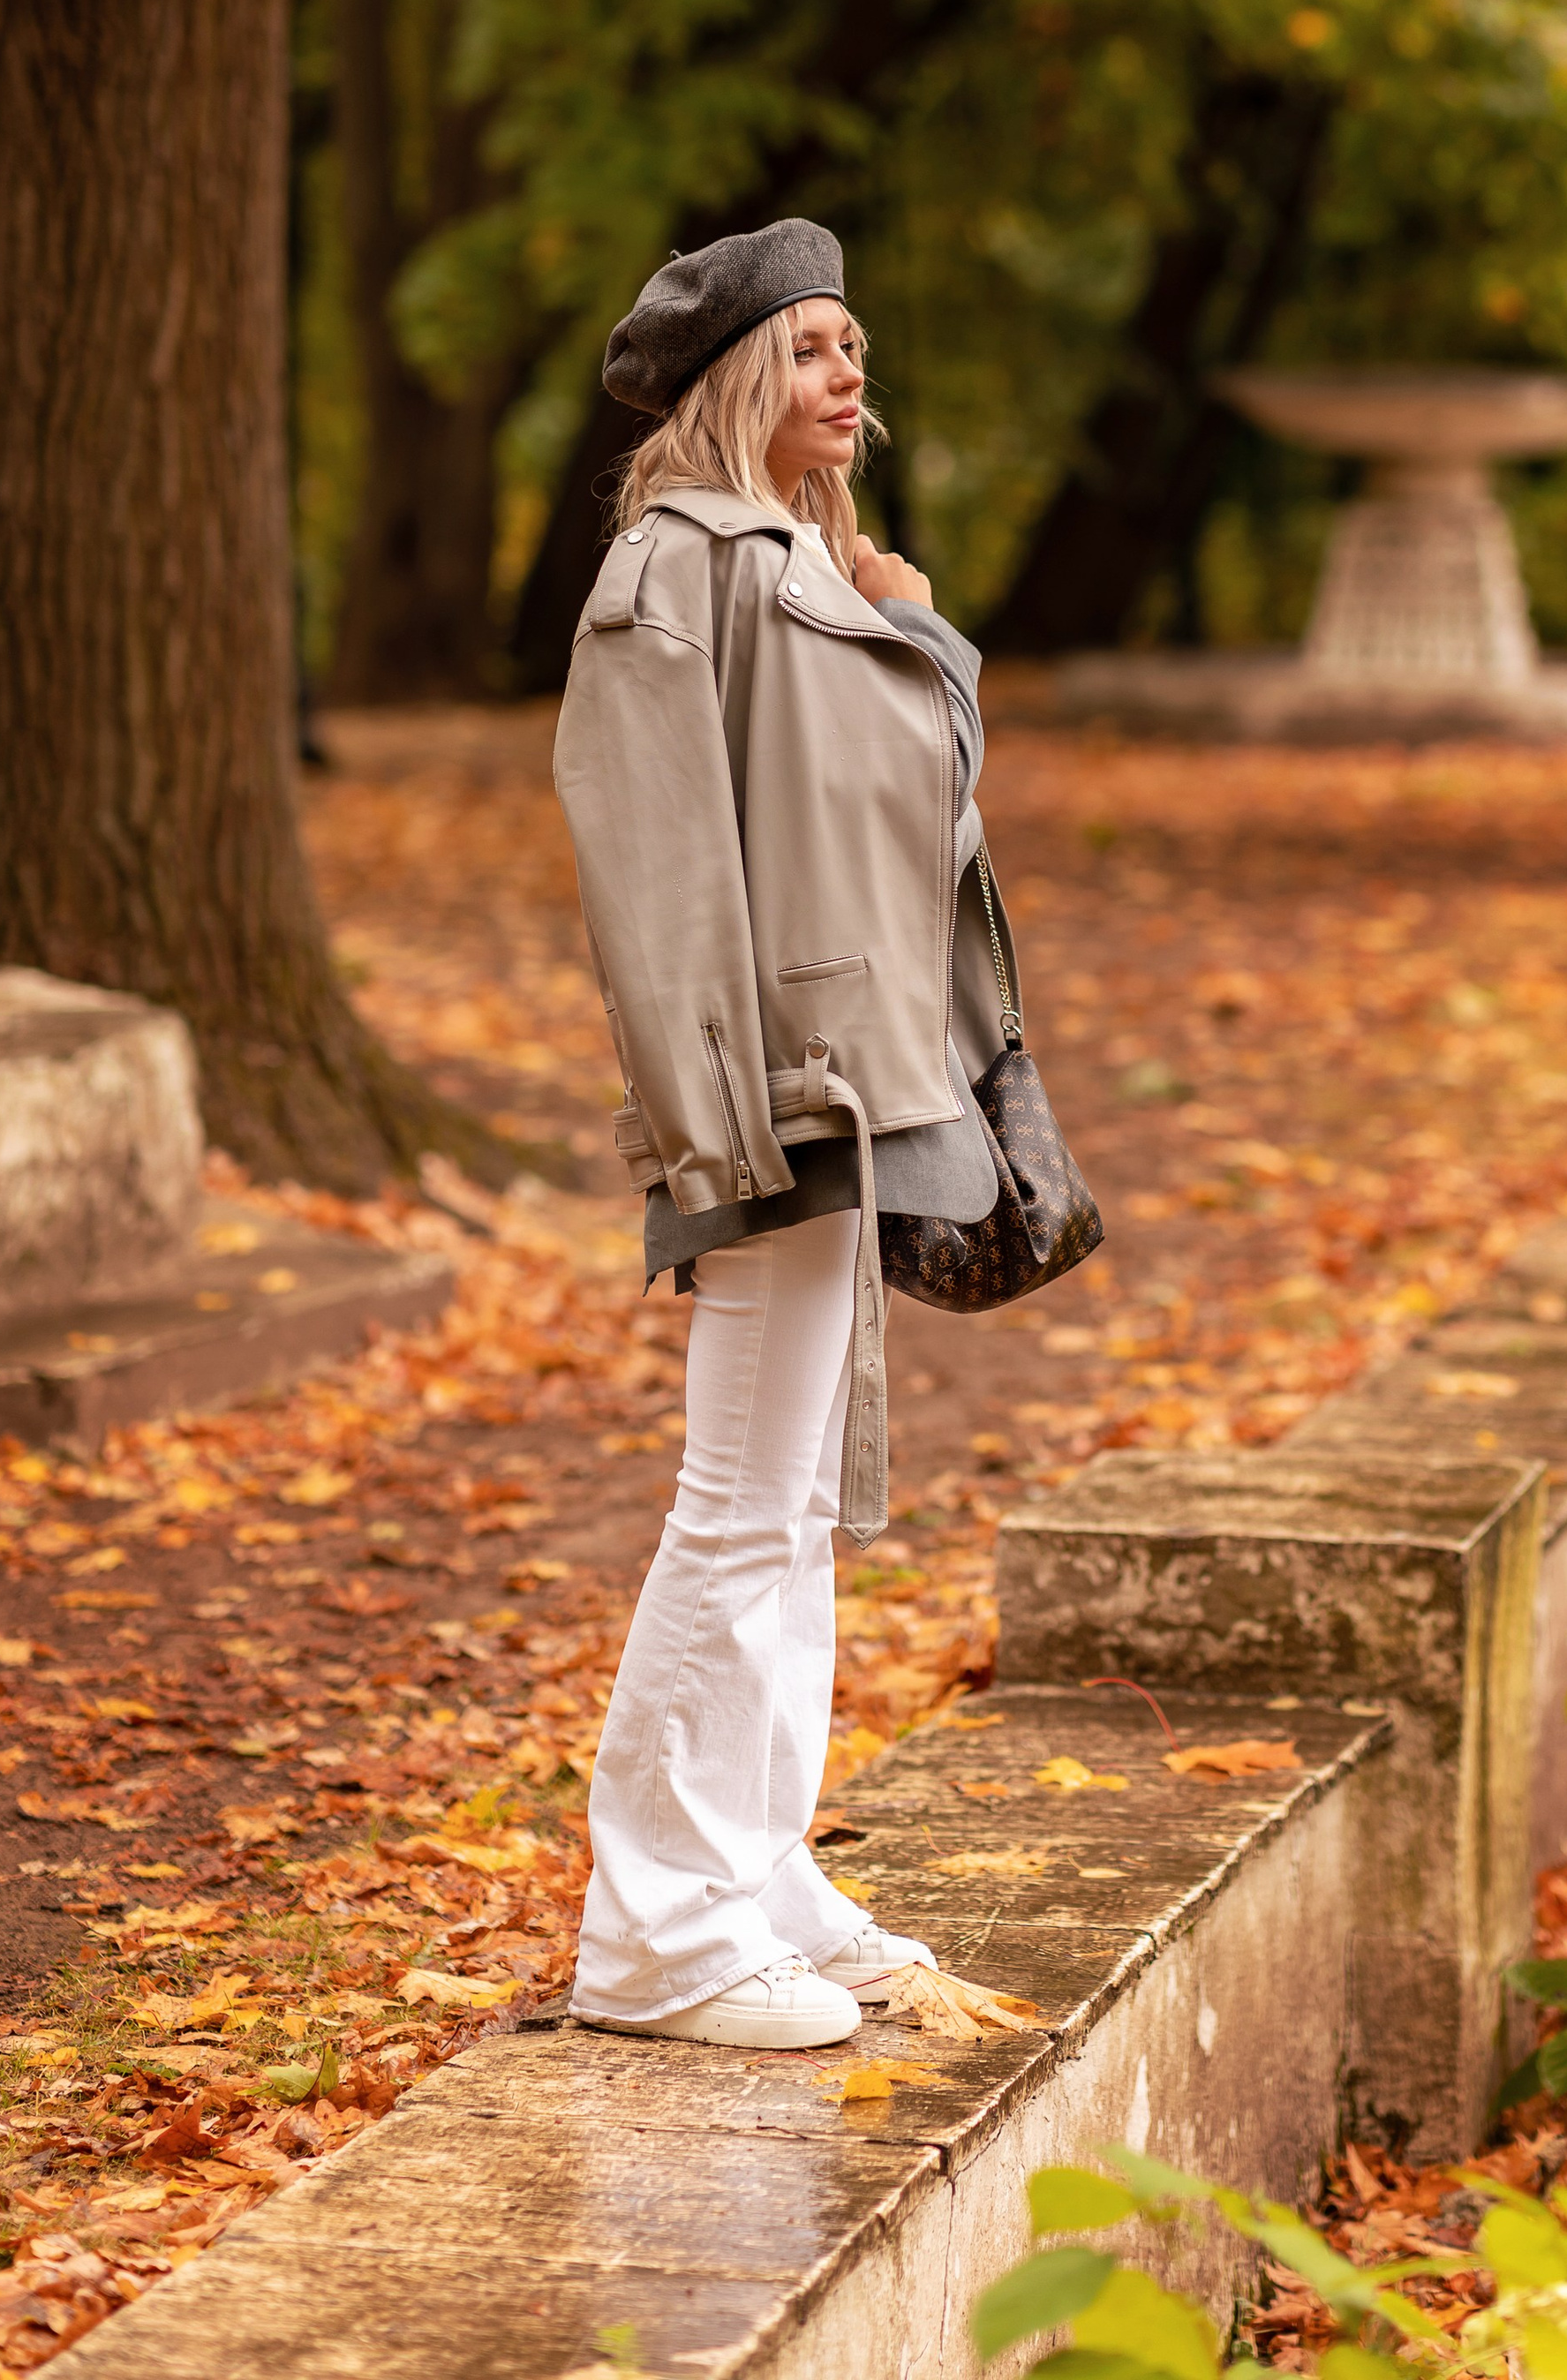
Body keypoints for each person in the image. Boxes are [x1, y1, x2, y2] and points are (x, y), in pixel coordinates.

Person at [552, 220, 1020, 2052]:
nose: (847, 372)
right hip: (771, 1098)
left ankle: (752, 1874)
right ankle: (651, 1942)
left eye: (854, 345)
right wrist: (708, 1126)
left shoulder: (815, 574)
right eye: (809, 344)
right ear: (740, 374)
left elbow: (934, 830)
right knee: (736, 1508)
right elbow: (649, 863)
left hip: (862, 1076)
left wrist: (907, 624)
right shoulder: (680, 568)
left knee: (796, 1513)